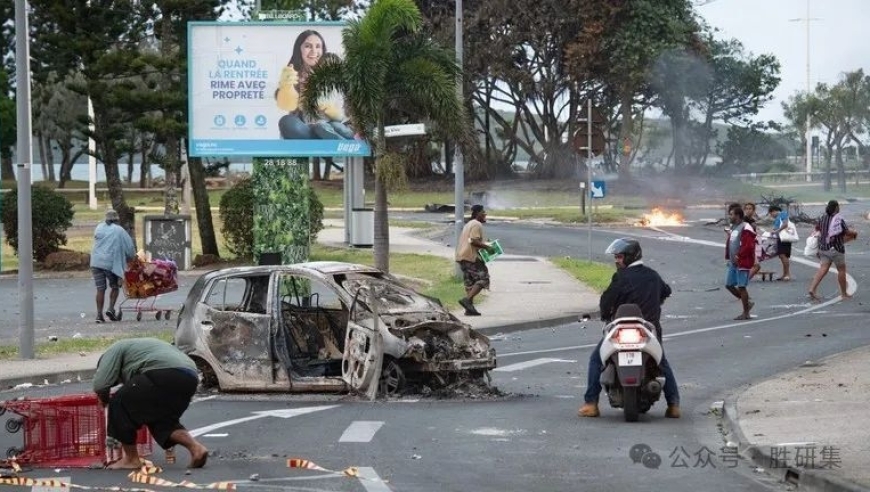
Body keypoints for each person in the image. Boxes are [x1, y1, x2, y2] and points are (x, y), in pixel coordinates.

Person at [577, 238, 681, 419]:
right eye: (616, 257)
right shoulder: (653, 275)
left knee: (596, 360)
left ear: (631, 257)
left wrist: (605, 314)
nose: (616, 260)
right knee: (661, 363)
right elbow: (666, 292)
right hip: (649, 330)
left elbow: (606, 301)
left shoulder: (621, 277)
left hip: (621, 330)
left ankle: (591, 403)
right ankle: (673, 405)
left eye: (619, 257)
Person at [93, 338, 208, 469]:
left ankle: (131, 459)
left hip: (165, 371)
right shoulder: (137, 351)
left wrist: (105, 400)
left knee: (119, 403)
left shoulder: (112, 352)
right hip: (189, 378)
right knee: (162, 421)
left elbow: (101, 384)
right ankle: (196, 449)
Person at [275, 30, 355, 140]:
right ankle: (326, 141)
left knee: (334, 126)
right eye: (308, 46)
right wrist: (287, 87)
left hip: (334, 125)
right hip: (309, 128)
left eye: (318, 46)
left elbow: (345, 111)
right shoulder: (292, 74)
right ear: (299, 49)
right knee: (288, 122)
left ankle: (334, 143)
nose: (314, 51)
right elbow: (288, 105)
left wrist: (330, 110)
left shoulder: (335, 76)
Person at [90, 209, 135, 323]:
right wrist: (132, 258)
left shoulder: (99, 227)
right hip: (110, 263)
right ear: (116, 220)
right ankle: (110, 308)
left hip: (96, 262)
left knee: (100, 289)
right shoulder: (119, 230)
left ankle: (99, 315)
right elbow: (129, 248)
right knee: (115, 286)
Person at [455, 204, 496, 316]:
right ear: (477, 213)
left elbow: (471, 240)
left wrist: (484, 244)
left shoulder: (469, 224)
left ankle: (469, 309)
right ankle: (467, 300)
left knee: (470, 283)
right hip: (471, 257)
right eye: (483, 212)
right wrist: (488, 247)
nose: (485, 214)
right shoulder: (477, 224)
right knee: (484, 279)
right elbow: (473, 241)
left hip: (462, 257)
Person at [808, 200, 853, 301]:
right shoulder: (838, 219)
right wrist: (854, 233)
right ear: (836, 207)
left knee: (823, 269)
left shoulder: (822, 217)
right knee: (841, 270)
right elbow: (847, 232)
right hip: (836, 248)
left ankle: (812, 288)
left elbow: (817, 228)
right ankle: (844, 293)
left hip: (823, 248)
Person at [725, 205, 756, 320]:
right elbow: (731, 242)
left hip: (742, 262)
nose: (730, 216)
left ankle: (746, 312)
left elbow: (748, 245)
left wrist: (740, 255)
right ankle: (747, 303)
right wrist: (729, 256)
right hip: (733, 262)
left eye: (731, 214)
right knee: (729, 285)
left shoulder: (746, 227)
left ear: (737, 215)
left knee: (742, 286)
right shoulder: (734, 227)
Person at [768, 205, 792, 281]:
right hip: (780, 238)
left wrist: (776, 231)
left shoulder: (783, 214)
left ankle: (787, 274)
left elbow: (785, 224)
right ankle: (784, 274)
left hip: (784, 238)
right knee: (782, 256)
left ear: (774, 211)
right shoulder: (777, 218)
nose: (772, 216)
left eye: (771, 214)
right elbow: (776, 227)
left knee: (783, 255)